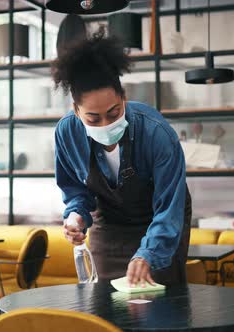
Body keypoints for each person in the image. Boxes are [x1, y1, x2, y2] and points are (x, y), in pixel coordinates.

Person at [53, 29, 191, 287]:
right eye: (93, 118)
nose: (105, 123)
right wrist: (76, 216)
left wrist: (148, 253)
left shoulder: (156, 133)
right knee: (103, 300)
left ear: (124, 98)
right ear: (76, 110)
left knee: (157, 300)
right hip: (110, 223)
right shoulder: (66, 132)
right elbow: (75, 189)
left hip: (160, 219)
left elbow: (169, 205)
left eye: (114, 112)